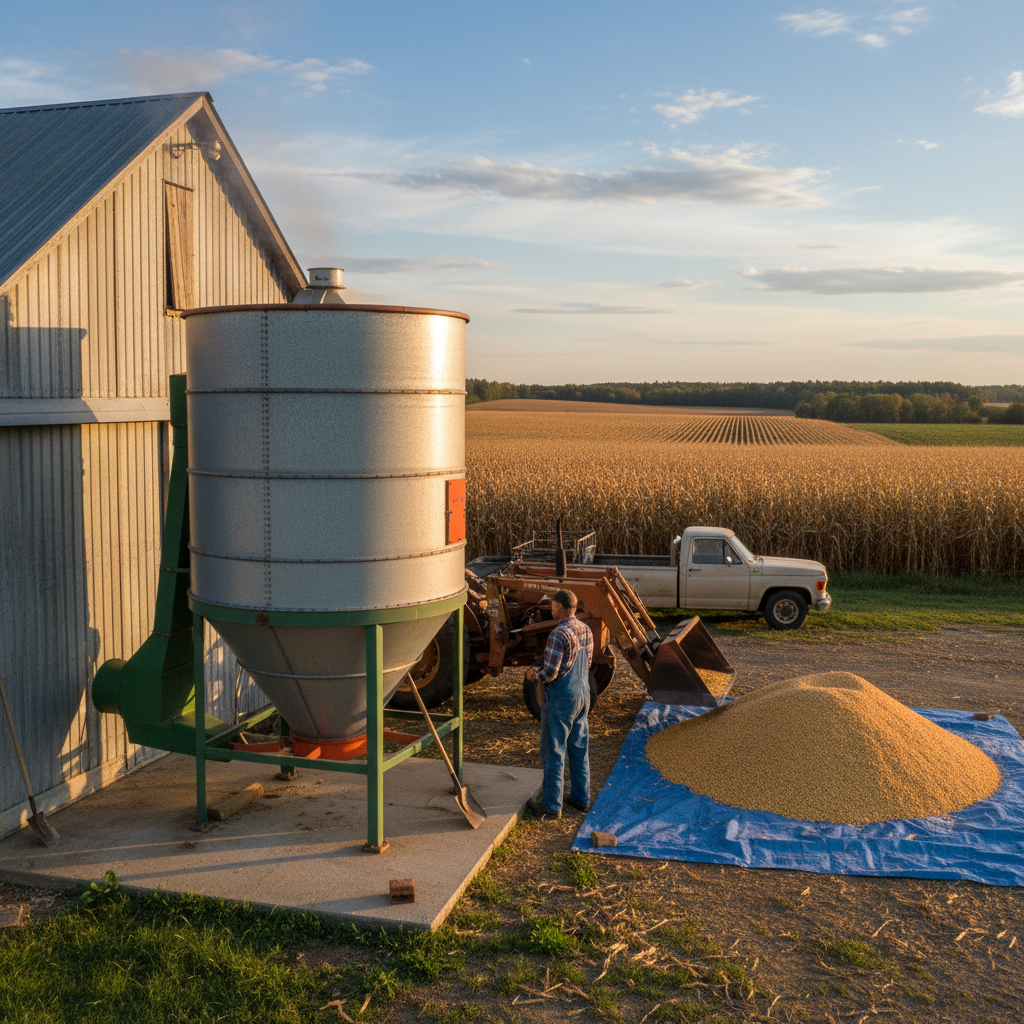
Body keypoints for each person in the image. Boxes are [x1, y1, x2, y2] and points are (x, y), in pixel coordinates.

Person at [525, 589, 594, 819]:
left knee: (554, 749)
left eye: (552, 605)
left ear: (557, 606)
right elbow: (588, 662)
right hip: (583, 693)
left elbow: (550, 673)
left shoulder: (558, 633)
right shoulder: (585, 629)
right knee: (579, 747)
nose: (551, 609)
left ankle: (551, 804)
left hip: (563, 697)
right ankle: (581, 798)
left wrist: (533, 673)